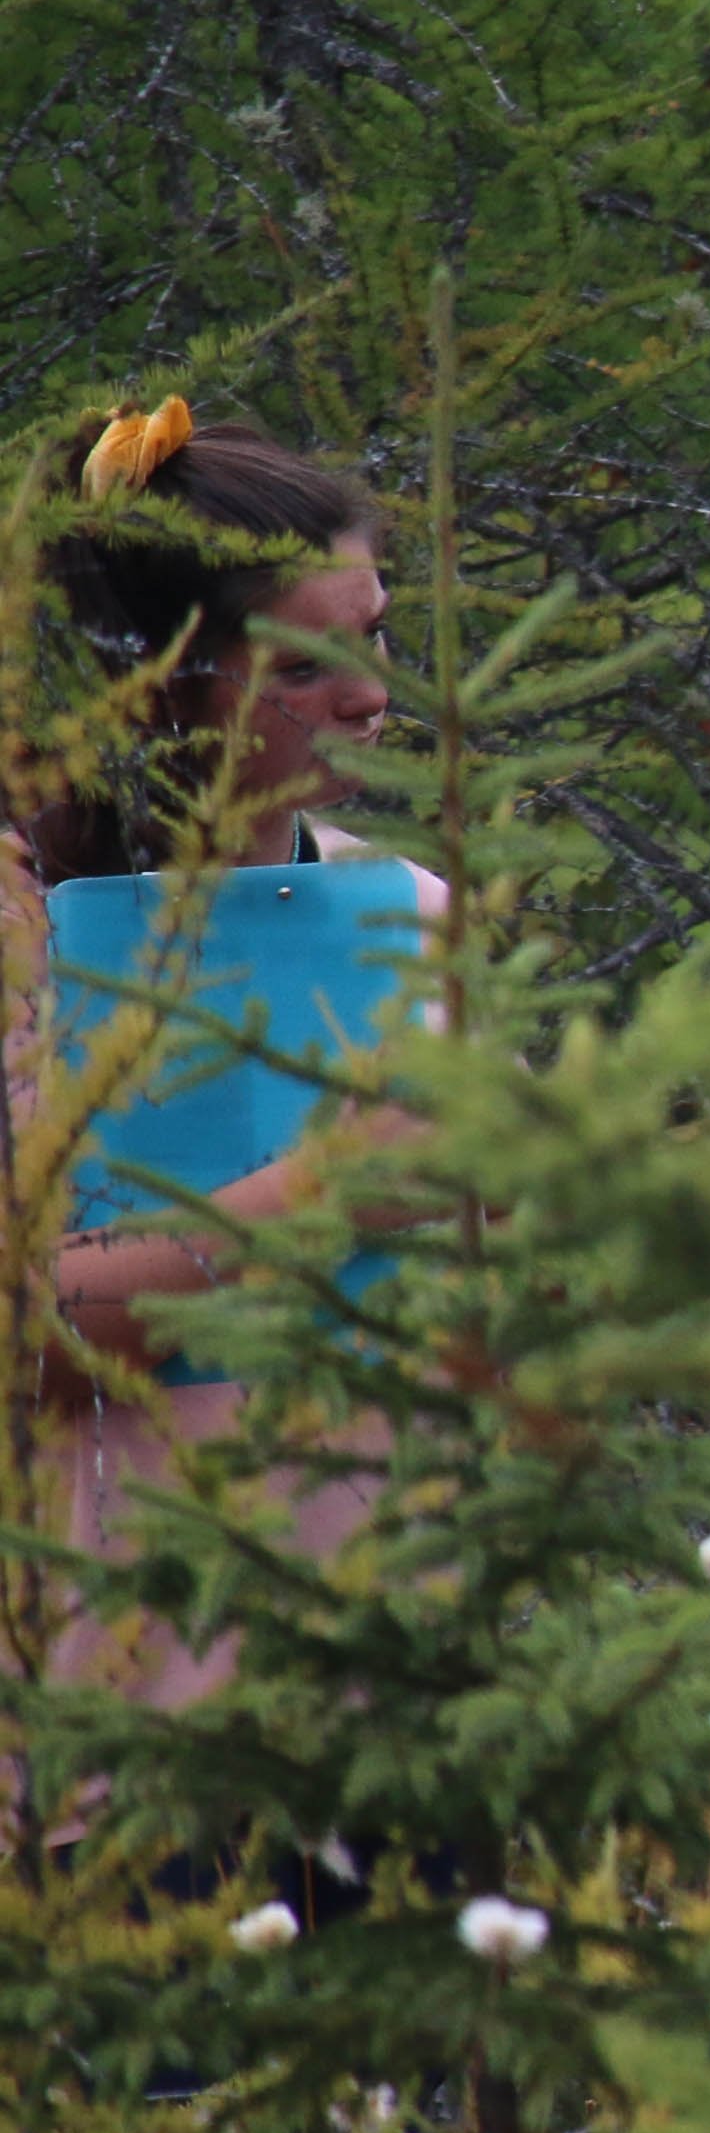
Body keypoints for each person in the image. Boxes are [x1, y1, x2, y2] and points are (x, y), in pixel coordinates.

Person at [10, 403, 432, 1725]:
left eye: (370, 635)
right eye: (300, 665)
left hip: (402, 1686)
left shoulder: (406, 908)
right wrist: (326, 1192)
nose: (369, 694)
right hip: (117, 1709)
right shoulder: (27, 924)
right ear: (162, 683)